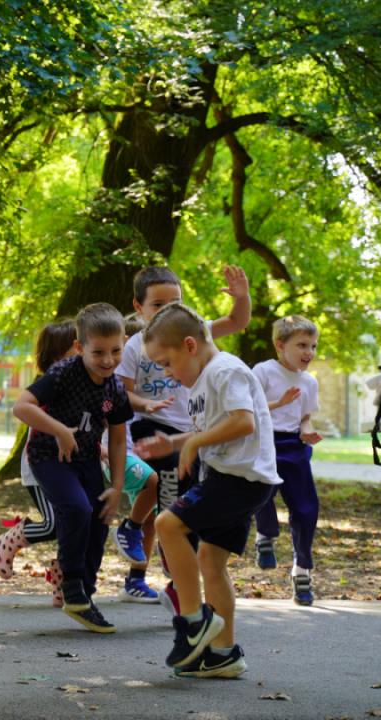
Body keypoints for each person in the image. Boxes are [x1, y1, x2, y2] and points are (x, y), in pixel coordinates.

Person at [137, 302, 279, 678]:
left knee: (167, 525)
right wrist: (175, 443)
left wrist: (194, 445)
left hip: (239, 480)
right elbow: (214, 428)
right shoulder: (204, 378)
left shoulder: (226, 370)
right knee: (211, 563)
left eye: (166, 362)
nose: (167, 373)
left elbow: (242, 423)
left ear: (189, 345)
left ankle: (194, 621)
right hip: (235, 479)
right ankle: (223, 653)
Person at [116, 265, 250, 611]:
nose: (167, 310)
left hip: (189, 433)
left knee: (177, 508)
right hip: (151, 428)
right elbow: (123, 394)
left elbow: (236, 322)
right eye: (158, 304)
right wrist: (147, 403)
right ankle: (173, 582)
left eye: (175, 302)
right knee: (172, 509)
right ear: (138, 306)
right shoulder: (133, 346)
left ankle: (158, 578)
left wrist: (242, 297)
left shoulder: (195, 332)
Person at [13, 303, 132, 633]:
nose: (108, 360)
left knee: (100, 520)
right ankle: (72, 585)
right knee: (77, 509)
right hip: (48, 456)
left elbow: (119, 440)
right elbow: (22, 407)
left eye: (115, 351)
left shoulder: (116, 387)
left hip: (87, 459)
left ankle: (84, 599)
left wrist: (117, 485)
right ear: (80, 347)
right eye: (98, 353)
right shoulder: (64, 373)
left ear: (124, 342)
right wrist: (60, 430)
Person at [0, 321, 77, 607]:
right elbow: (28, 415)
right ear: (56, 358)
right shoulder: (48, 387)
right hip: (41, 468)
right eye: (75, 349)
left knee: (76, 523)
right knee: (54, 524)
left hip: (70, 467)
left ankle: (62, 580)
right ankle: (9, 540)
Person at [251, 315, 322, 605]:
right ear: (281, 345)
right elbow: (248, 407)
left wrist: (307, 432)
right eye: (302, 345)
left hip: (293, 445)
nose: (309, 352)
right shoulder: (264, 371)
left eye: (314, 346)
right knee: (261, 492)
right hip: (263, 441)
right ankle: (265, 535)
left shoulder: (309, 381)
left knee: (306, 508)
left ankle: (301, 569)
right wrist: (278, 403)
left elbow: (304, 417)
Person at [106, 312, 162, 603]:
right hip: (110, 457)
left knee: (151, 508)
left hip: (133, 453)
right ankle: (129, 528)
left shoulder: (141, 387)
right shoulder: (110, 381)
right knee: (154, 485)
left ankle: (136, 579)